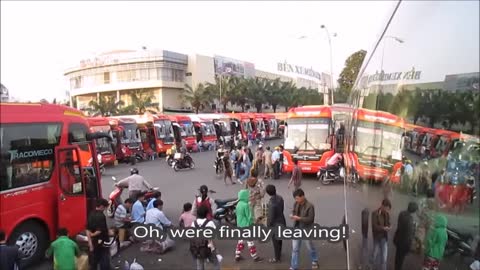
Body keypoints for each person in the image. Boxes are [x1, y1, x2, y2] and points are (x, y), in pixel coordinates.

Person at [290, 189, 319, 270]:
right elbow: (294, 212)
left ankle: (314, 260)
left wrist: (299, 218)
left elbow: (310, 219)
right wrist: (293, 214)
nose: (296, 200)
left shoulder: (310, 206)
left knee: (310, 247)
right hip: (296, 228)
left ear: (302, 196)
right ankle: (293, 266)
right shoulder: (296, 203)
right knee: (295, 249)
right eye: (295, 198)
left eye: (297, 198)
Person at [235, 189, 263, 262]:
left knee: (240, 241)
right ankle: (255, 257)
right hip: (246, 225)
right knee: (250, 242)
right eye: (248, 195)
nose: (249, 196)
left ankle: (237, 255)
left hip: (239, 225)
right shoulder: (245, 205)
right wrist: (252, 223)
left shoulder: (238, 204)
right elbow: (249, 216)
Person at [190, 205, 220, 270]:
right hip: (208, 247)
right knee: (215, 262)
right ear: (206, 214)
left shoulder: (193, 223)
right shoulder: (210, 223)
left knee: (200, 265)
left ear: (197, 214)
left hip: (197, 247)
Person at [87, 198, 110, 270]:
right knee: (104, 260)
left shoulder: (91, 213)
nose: (105, 209)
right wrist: (93, 235)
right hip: (102, 241)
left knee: (94, 260)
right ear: (101, 206)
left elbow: (87, 229)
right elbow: (100, 231)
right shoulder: (101, 216)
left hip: (93, 242)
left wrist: (90, 242)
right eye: (105, 207)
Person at [393, 202, 418, 270]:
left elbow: (402, 226)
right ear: (414, 210)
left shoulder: (402, 213)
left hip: (398, 239)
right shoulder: (410, 220)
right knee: (400, 260)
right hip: (404, 244)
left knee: (397, 258)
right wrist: (414, 227)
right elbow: (409, 235)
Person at [266, 185, 286, 263]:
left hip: (274, 225)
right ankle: (279, 253)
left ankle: (277, 258)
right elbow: (282, 209)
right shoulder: (280, 198)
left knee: (275, 242)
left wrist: (268, 226)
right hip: (281, 220)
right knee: (280, 239)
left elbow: (270, 217)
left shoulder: (271, 203)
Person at [371, 198, 392, 270]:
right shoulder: (375, 213)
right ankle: (371, 266)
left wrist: (389, 226)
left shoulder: (387, 214)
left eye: (388, 209)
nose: (387, 210)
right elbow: (374, 226)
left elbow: (388, 223)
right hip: (377, 237)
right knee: (374, 254)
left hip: (384, 238)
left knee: (384, 258)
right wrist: (383, 228)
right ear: (382, 206)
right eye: (386, 208)